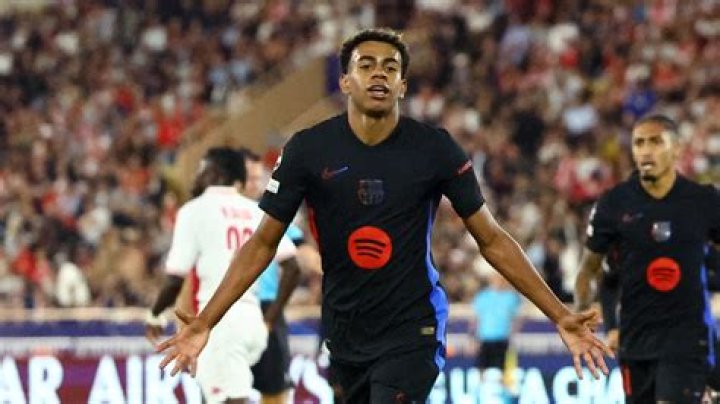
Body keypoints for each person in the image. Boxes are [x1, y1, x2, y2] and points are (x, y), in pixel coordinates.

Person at [158, 28, 611, 403]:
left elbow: (491, 239)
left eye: (391, 68)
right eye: (367, 65)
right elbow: (262, 243)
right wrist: (204, 322)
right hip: (346, 331)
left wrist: (559, 314)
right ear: (345, 81)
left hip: (413, 327)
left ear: (403, 86)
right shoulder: (308, 150)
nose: (380, 73)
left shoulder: (435, 149)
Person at [574, 114, 720, 403]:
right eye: (639, 143)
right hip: (635, 343)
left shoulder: (704, 201)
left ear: (676, 148)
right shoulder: (613, 204)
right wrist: (581, 317)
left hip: (687, 341)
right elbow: (589, 270)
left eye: (656, 142)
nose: (645, 150)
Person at [146, 147, 299, 404]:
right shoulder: (256, 211)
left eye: (201, 169)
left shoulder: (194, 210)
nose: (196, 176)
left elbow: (174, 279)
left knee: (228, 399)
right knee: (255, 395)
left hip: (217, 323)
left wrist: (154, 315)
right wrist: (269, 321)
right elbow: (293, 268)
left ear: (214, 172)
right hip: (253, 319)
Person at [240, 148, 323, 404]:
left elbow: (302, 251)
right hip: (232, 309)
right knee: (226, 390)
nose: (254, 185)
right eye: (249, 178)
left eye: (258, 179)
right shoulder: (220, 214)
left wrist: (325, 266)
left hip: (267, 308)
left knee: (275, 390)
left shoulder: (270, 215)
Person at [470, 272, 522, 373]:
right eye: (497, 279)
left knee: (501, 370)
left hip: (502, 339)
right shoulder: (482, 296)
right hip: (485, 338)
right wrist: (473, 338)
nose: (499, 281)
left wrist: (512, 336)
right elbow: (475, 319)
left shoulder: (512, 297)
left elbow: (516, 319)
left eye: (501, 279)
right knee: (481, 369)